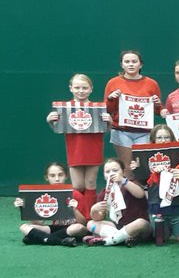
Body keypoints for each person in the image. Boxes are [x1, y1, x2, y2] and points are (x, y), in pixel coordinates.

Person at [47, 74, 110, 215]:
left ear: (91, 89)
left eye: (84, 88)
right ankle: (79, 213)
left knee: (91, 183)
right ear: (70, 88)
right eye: (77, 87)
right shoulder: (64, 108)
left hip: (93, 147)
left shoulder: (97, 108)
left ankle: (90, 216)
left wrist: (109, 121)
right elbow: (58, 128)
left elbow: (105, 130)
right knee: (77, 185)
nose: (81, 91)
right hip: (75, 149)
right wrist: (50, 121)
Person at [105, 50, 162, 176]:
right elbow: (107, 111)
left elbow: (158, 110)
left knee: (144, 167)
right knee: (127, 168)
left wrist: (157, 104)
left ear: (140, 65)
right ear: (122, 64)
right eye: (127, 61)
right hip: (121, 131)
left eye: (134, 61)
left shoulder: (151, 84)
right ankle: (128, 195)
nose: (131, 64)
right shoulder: (113, 83)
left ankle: (144, 194)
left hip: (144, 132)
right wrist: (111, 99)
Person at [16, 163, 87, 246]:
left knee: (77, 228)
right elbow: (38, 223)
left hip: (73, 228)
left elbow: (83, 223)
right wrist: (23, 207)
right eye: (52, 176)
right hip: (56, 228)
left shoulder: (75, 194)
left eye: (60, 175)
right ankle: (61, 241)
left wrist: (74, 209)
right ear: (47, 177)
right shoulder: (46, 195)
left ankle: (39, 238)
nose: (57, 179)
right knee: (24, 227)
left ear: (66, 176)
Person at [137, 125, 179, 245]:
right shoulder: (144, 158)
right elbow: (143, 183)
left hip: (176, 203)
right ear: (153, 140)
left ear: (172, 139)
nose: (163, 140)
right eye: (159, 137)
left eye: (166, 137)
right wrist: (137, 169)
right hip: (156, 203)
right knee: (161, 239)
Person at [85, 158, 150, 246]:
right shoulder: (104, 193)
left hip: (139, 228)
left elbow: (140, 194)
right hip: (118, 228)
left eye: (115, 170)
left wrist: (123, 180)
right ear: (104, 175)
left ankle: (107, 241)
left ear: (123, 172)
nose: (111, 174)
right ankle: (122, 238)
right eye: (107, 172)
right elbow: (98, 218)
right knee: (90, 223)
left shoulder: (130, 183)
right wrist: (94, 210)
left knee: (140, 223)